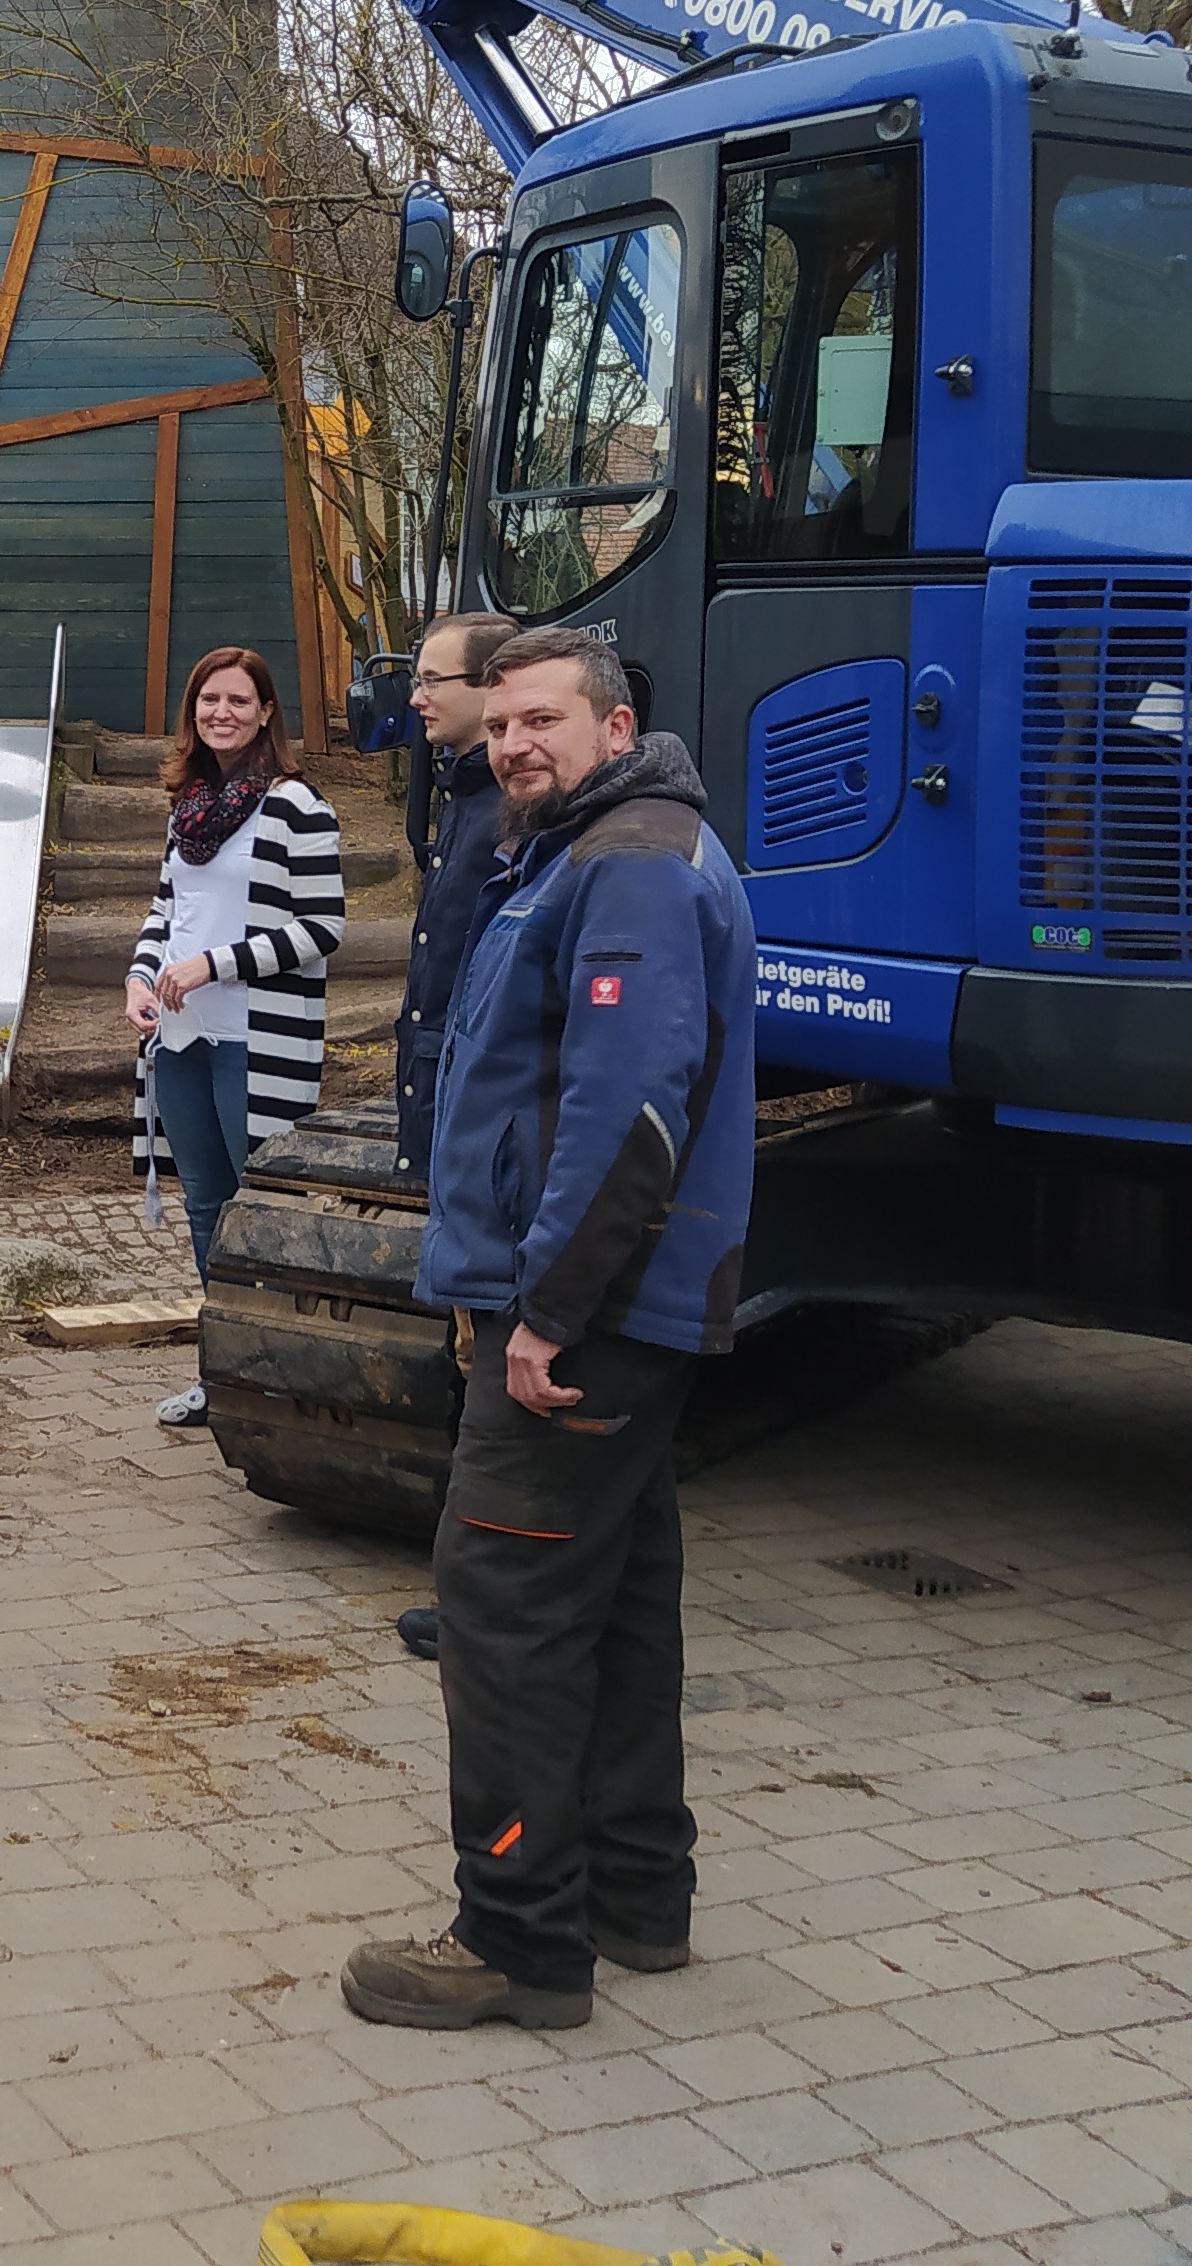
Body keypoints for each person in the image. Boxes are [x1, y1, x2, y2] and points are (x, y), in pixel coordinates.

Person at [342, 630, 756, 2034]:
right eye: (503, 721)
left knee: (503, 1609)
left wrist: (547, 1316)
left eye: (546, 721)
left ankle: (516, 1936)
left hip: (588, 1316)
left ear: (616, 725)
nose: (516, 743)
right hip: (618, 1308)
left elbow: (628, 1115)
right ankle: (637, 1896)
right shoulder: (586, 850)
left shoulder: (628, 862)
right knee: (620, 1599)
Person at [128, 646, 347, 1429]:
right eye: (208, 700)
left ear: (265, 714)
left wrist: (214, 965)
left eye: (238, 701)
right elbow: (167, 910)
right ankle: (225, 1373)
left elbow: (323, 927)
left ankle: (278, 1377)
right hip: (182, 1036)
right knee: (205, 1206)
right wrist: (140, 976)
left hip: (259, 1037)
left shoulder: (295, 806)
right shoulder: (188, 806)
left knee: (260, 1207)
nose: (221, 713)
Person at [390, 609, 515, 1667]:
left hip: (477, 1119)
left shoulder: (505, 812)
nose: (416, 696)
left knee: (487, 1362)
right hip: (445, 1107)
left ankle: (486, 1599)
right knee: (466, 1352)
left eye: (435, 680)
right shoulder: (459, 797)